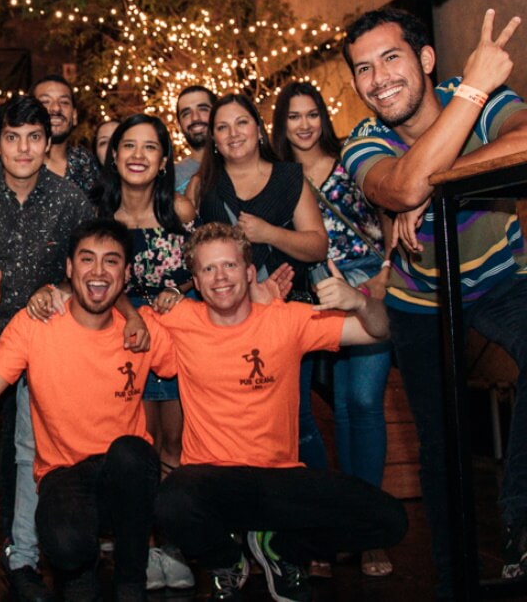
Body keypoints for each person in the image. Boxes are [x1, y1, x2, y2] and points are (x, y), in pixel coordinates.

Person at [340, 6, 527, 592]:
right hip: (421, 301)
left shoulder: (483, 100)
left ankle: (520, 518)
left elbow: (523, 140)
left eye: (391, 58)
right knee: (441, 446)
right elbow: (396, 185)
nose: (379, 79)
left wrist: (436, 182)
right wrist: (417, 184)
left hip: (502, 276)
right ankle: (455, 583)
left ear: (425, 59)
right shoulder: (362, 141)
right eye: (364, 69)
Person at [0, 96, 146, 602]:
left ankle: (25, 559)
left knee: (32, 453)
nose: (23, 148)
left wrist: (112, 307)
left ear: (48, 142)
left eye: (34, 137)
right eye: (12, 137)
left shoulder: (71, 199)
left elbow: (89, 273)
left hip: (43, 340)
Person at [153, 222, 408, 602]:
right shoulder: (180, 322)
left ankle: (278, 550)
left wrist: (359, 301)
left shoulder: (287, 319)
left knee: (389, 520)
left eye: (229, 266)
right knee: (170, 500)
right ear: (196, 279)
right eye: (208, 269)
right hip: (212, 479)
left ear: (249, 272)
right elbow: (119, 328)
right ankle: (227, 561)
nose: (220, 277)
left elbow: (380, 330)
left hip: (279, 479)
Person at [0, 219, 175, 601]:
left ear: (126, 274)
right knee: (65, 542)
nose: (98, 271)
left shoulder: (141, 331)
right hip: (65, 475)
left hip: (123, 482)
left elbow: (203, 356)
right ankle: (80, 579)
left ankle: (131, 583)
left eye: (111, 262)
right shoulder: (36, 325)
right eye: (87, 260)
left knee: (133, 453)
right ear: (69, 268)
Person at [271, 80, 395, 578]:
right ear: (281, 125)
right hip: (308, 294)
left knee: (359, 404)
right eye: (293, 117)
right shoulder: (278, 176)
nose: (304, 125)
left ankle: (369, 533)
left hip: (366, 284)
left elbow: (390, 214)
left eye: (312, 114)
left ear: (323, 118)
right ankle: (325, 523)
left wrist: (386, 276)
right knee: (298, 415)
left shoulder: (353, 159)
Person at [91, 113, 195, 590]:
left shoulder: (181, 210)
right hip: (120, 344)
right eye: (128, 146)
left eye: (149, 147)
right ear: (113, 156)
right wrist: (133, 311)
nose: (137, 155)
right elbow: (89, 283)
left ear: (162, 159)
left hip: (174, 345)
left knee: (175, 446)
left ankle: (171, 544)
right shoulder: (99, 216)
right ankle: (140, 546)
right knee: (137, 449)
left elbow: (205, 269)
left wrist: (184, 291)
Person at [186, 93, 327, 298]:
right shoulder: (202, 185)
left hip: (290, 307)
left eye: (241, 122)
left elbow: (319, 247)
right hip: (228, 310)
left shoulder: (289, 178)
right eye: (222, 127)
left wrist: (270, 233)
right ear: (214, 139)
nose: (233, 133)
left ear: (259, 129)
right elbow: (191, 257)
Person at [32, 75, 101, 193]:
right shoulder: (9, 164)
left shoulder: (85, 164)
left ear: (74, 116)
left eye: (64, 102)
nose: (56, 108)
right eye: (45, 102)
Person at [172, 85, 216, 193]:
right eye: (186, 113)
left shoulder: (239, 165)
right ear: (179, 126)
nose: (195, 117)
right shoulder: (170, 177)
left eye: (203, 109)